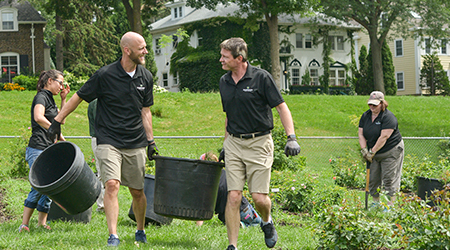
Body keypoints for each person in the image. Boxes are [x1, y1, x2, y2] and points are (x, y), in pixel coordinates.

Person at [47, 31, 158, 247]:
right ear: (127, 50)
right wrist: (58, 120)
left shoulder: (146, 77)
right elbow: (78, 97)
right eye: (142, 47)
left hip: (135, 141)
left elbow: (146, 111)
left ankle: (140, 229)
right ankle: (113, 235)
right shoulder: (105, 75)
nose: (146, 51)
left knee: (137, 191)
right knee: (112, 185)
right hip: (108, 139)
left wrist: (151, 141)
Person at [218, 37, 301, 250]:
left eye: (225, 57)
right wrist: (225, 144)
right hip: (234, 143)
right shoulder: (224, 82)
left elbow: (282, 107)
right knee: (234, 196)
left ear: (240, 58)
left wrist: (291, 137)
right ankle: (232, 246)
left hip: (259, 142)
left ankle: (266, 221)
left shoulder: (261, 78)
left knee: (259, 198)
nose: (221, 60)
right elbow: (229, 115)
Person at [19, 69, 70, 233]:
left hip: (48, 148)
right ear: (50, 81)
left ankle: (42, 223)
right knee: (39, 186)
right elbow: (38, 117)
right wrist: (55, 131)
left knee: (50, 186)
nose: (61, 86)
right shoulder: (41, 97)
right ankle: (24, 224)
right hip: (37, 148)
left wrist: (64, 100)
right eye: (60, 82)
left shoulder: (51, 99)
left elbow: (60, 121)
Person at [358, 91, 404, 210]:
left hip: (391, 151)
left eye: (375, 105)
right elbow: (361, 134)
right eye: (370, 104)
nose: (372, 107)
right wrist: (364, 150)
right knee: (373, 179)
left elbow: (384, 137)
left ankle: (391, 205)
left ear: (382, 103)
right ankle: (375, 204)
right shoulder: (366, 116)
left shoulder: (388, 117)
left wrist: (372, 152)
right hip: (374, 153)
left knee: (389, 178)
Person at [196, 152, 261, 228]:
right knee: (260, 225)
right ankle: (243, 225)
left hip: (227, 216)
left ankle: (239, 225)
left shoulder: (207, 185)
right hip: (244, 210)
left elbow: (202, 209)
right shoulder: (227, 174)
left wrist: (198, 227)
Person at [88, 99, 105, 212]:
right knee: (102, 173)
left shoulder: (94, 102)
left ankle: (105, 204)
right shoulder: (96, 103)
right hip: (101, 139)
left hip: (101, 139)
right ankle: (102, 205)